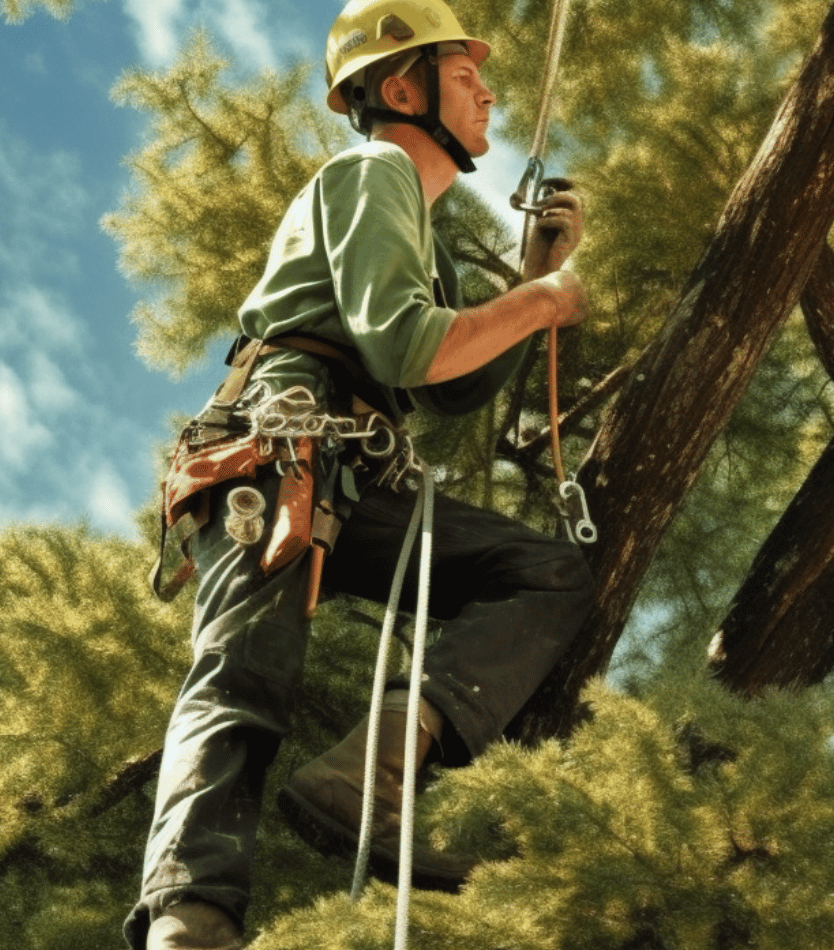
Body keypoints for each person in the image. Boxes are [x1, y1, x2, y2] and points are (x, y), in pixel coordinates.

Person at [125, 2, 593, 947]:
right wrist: (542, 300)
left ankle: (373, 767)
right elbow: (407, 344)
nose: (489, 90)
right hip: (282, 449)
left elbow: (451, 391)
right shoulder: (374, 171)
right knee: (240, 678)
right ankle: (190, 922)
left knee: (550, 571)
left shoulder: (413, 225)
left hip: (350, 472)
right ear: (401, 88)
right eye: (464, 77)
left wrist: (527, 275)